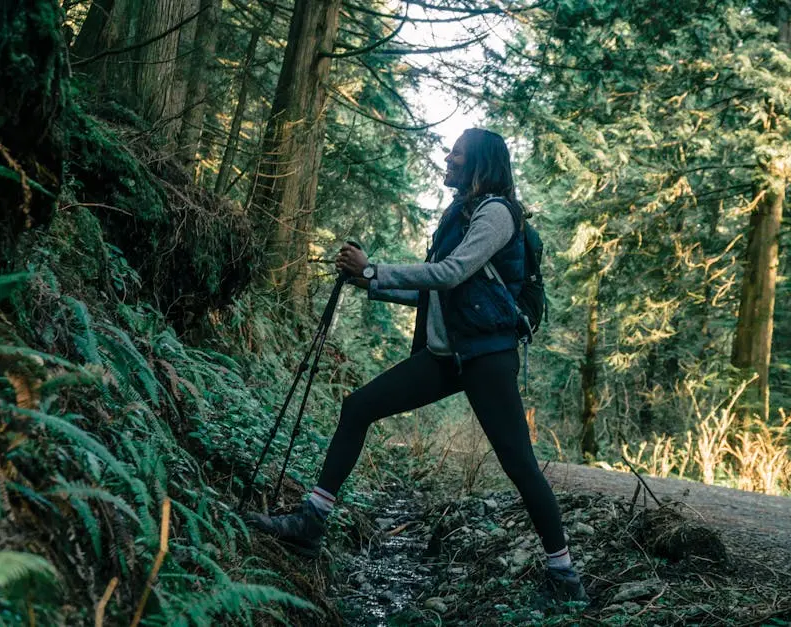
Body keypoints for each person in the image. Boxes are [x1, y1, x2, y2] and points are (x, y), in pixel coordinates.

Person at [246, 128, 587, 602]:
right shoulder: (460, 214)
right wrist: (370, 283)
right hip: (449, 357)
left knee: (520, 465)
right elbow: (438, 294)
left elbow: (450, 274)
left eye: (458, 154)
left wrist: (373, 270)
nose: (448, 159)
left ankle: (564, 577)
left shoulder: (496, 214)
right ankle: (311, 521)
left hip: (487, 359)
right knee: (358, 406)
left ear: (480, 165)